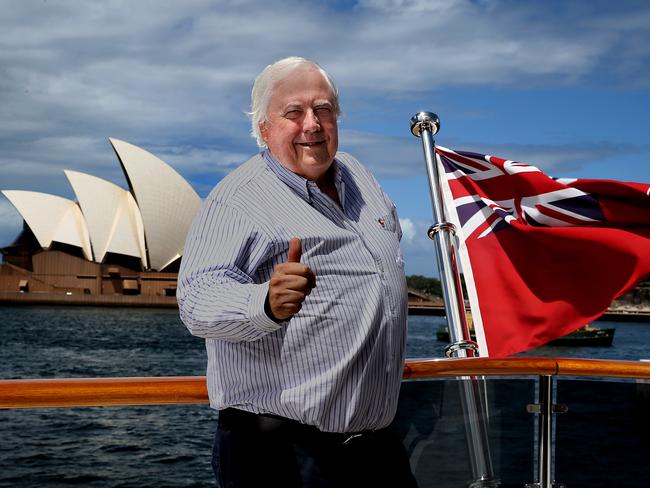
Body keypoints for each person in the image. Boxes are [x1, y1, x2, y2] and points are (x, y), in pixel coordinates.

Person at [177, 56, 417, 487]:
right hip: (280, 452)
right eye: (294, 112)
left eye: (323, 109)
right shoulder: (237, 199)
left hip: (374, 447)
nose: (312, 124)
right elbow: (196, 299)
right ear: (264, 129)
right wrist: (263, 302)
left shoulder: (360, 177)